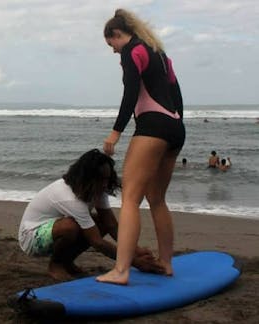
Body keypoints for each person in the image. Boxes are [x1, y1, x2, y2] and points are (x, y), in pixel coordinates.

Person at [96, 9, 185, 285]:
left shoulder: (131, 51)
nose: (113, 52)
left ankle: (121, 271)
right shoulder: (158, 52)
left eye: (111, 44)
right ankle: (167, 263)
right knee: (157, 199)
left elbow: (131, 93)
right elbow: (176, 94)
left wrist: (115, 133)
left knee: (130, 199)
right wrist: (176, 125)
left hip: (153, 127)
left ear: (118, 35)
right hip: (175, 127)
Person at [18, 149, 164, 281]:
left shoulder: (96, 190)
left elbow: (111, 225)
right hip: (31, 237)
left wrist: (135, 250)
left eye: (107, 179)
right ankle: (55, 265)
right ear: (87, 178)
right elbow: (97, 242)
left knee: (99, 222)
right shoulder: (69, 197)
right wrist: (136, 263)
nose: (105, 184)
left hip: (54, 228)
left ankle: (67, 262)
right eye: (101, 179)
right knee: (71, 227)